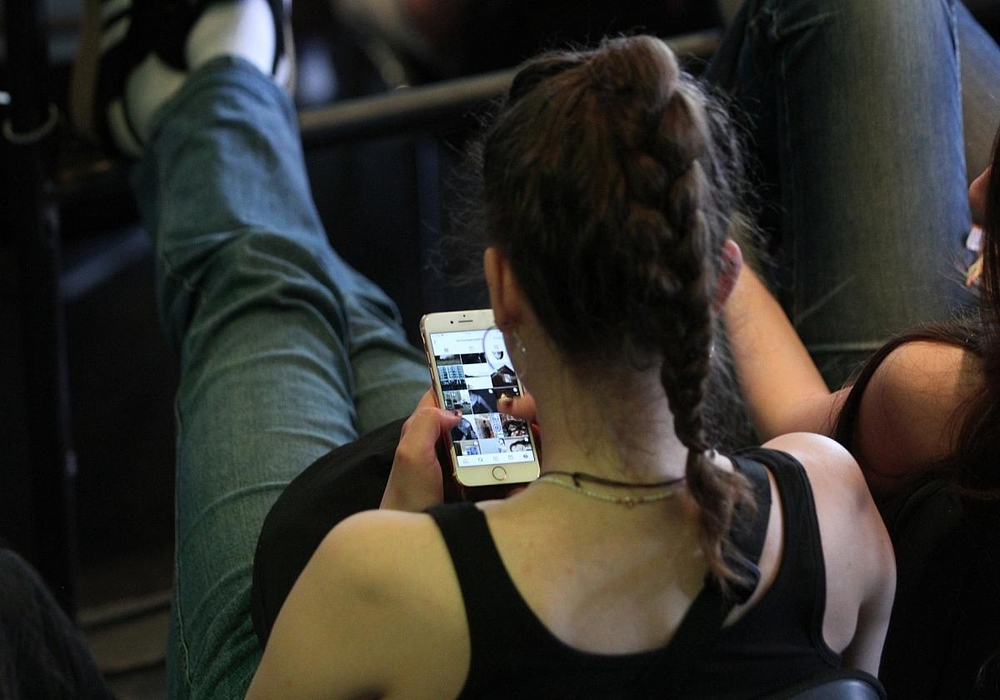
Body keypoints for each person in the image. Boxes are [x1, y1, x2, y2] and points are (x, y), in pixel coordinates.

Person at [73, 2, 893, 700]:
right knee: (354, 325)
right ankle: (218, 89)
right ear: (721, 281)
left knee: (257, 292)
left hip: (364, 618)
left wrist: (400, 526)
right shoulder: (833, 503)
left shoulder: (374, 578)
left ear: (504, 290)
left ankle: (211, 88)